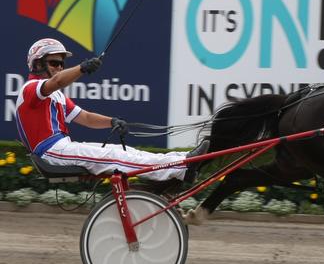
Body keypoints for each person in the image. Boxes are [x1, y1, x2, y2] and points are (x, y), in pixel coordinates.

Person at [15, 38, 209, 183]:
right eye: (54, 63)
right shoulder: (30, 89)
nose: (59, 67)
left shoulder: (56, 95)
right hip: (51, 152)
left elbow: (86, 118)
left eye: (61, 64)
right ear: (38, 64)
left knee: (121, 151)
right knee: (113, 157)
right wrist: (82, 68)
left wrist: (112, 121)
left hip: (61, 148)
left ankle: (183, 160)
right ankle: (181, 169)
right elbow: (57, 81)